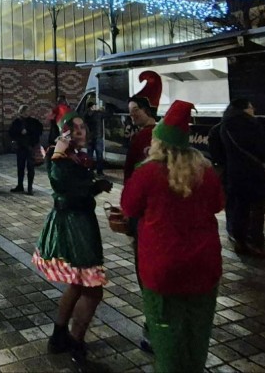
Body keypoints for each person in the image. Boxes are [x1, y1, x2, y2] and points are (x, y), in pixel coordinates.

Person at [121, 100, 224, 373]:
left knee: (166, 339)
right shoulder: (206, 171)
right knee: (197, 335)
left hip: (162, 267)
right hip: (204, 265)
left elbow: (129, 207)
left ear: (159, 142)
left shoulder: (147, 173)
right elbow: (218, 205)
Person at [33, 110, 112, 364]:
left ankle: (58, 337)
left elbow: (77, 189)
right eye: (73, 127)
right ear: (64, 132)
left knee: (77, 284)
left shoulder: (75, 156)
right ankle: (76, 344)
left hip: (80, 223)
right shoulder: (59, 157)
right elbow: (61, 185)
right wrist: (59, 153)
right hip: (74, 228)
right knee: (93, 291)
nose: (80, 131)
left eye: (82, 127)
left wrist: (95, 187)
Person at [123, 94, 158, 352]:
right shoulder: (146, 136)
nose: (132, 115)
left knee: (146, 269)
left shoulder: (143, 138)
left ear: (146, 109)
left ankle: (153, 327)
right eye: (130, 111)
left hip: (146, 217)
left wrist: (128, 211)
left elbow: (130, 179)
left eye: (135, 110)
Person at [220, 98, 265, 258]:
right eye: (251, 107)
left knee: (240, 209)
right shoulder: (250, 124)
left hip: (235, 173)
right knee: (257, 210)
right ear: (244, 109)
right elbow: (263, 149)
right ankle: (257, 244)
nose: (253, 110)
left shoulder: (224, 125)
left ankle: (241, 242)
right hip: (253, 174)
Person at [8, 105, 43, 194]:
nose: (26, 113)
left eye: (27, 111)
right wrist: (19, 133)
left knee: (30, 168)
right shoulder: (17, 122)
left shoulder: (33, 121)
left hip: (31, 147)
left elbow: (39, 131)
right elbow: (11, 133)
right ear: (20, 112)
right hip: (20, 148)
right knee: (20, 167)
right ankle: (20, 185)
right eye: (24, 112)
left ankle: (30, 187)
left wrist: (29, 132)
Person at [83, 100, 111, 176]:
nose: (96, 107)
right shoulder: (98, 114)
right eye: (95, 105)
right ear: (91, 107)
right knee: (99, 155)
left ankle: (89, 170)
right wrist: (108, 106)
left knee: (90, 155)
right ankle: (99, 172)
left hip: (89, 138)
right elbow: (108, 114)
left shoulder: (85, 115)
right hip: (98, 137)